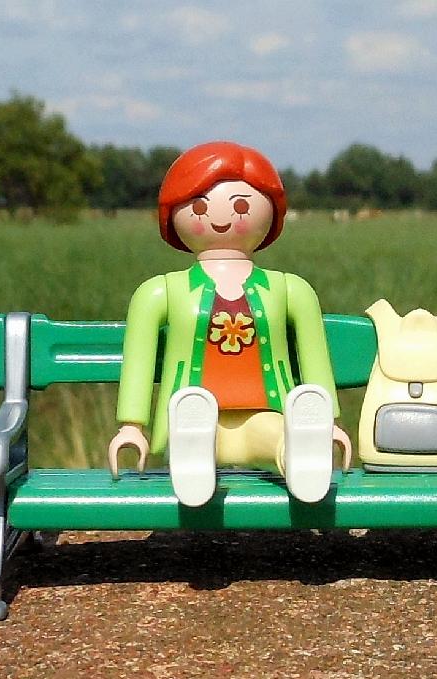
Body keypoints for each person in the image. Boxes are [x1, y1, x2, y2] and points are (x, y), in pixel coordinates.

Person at [107, 141, 350, 506]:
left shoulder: (290, 289)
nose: (220, 217)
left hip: (268, 410)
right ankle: (193, 465)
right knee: (194, 428)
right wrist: (131, 425)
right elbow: (138, 361)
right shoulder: (160, 292)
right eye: (199, 206)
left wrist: (327, 421)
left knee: (280, 437)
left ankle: (300, 458)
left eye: (241, 206)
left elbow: (315, 358)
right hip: (190, 413)